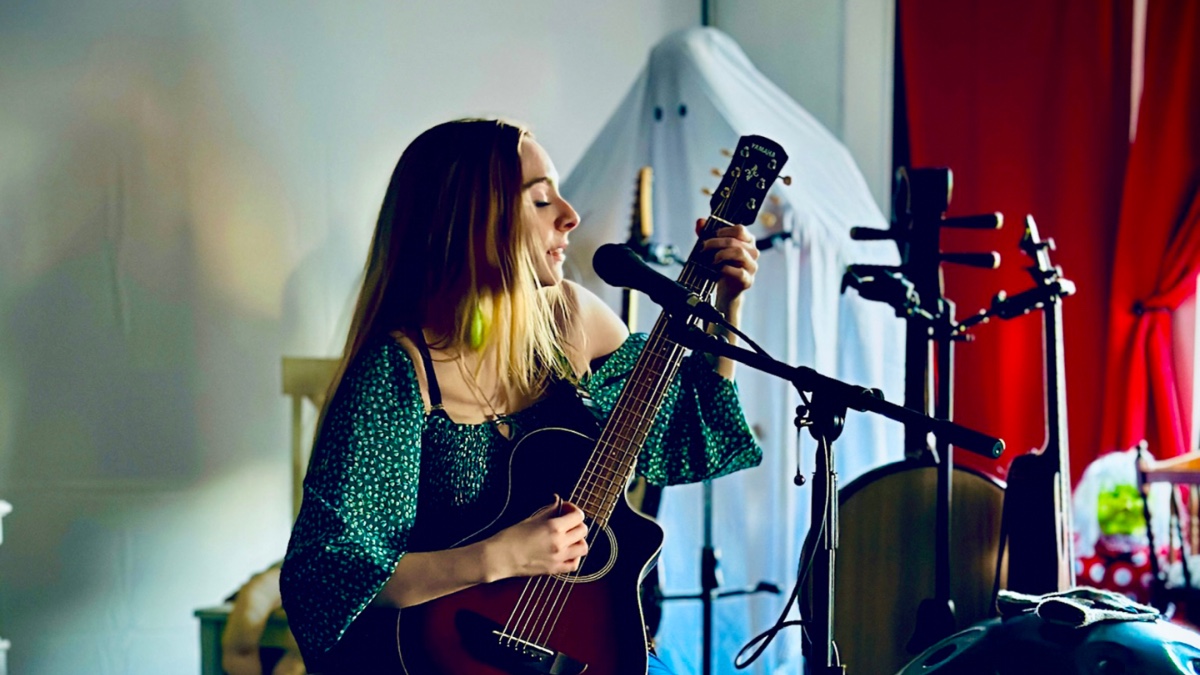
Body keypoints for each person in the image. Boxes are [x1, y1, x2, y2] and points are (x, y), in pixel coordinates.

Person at [280, 118, 763, 674]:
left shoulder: (571, 319)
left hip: (572, 646)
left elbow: (685, 429)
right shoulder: (400, 369)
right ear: (469, 221)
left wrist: (726, 305)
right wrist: (503, 555)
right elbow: (330, 574)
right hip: (435, 658)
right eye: (539, 200)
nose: (570, 215)